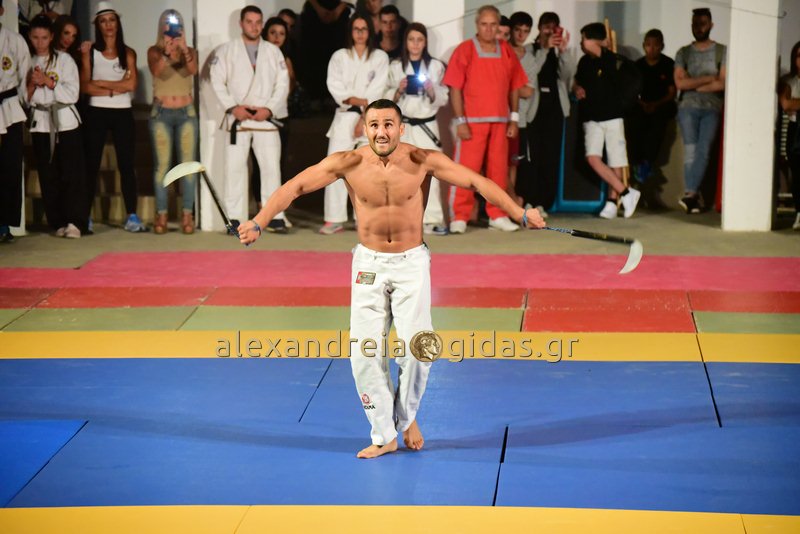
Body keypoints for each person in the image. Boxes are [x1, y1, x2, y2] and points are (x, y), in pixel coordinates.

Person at [236, 99, 546, 458]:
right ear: (364, 129)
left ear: (401, 128)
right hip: (368, 264)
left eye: (388, 124)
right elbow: (295, 187)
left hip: (411, 263)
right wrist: (258, 221)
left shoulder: (422, 160)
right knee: (364, 354)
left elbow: (476, 181)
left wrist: (519, 212)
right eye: (374, 125)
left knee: (420, 351)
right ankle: (385, 434)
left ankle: (406, 417)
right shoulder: (348, 162)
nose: (381, 132)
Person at [443, 5, 528, 234]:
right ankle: (459, 216)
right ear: (477, 25)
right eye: (484, 24)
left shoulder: (506, 50)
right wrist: (460, 120)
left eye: (493, 24)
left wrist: (513, 118)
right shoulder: (465, 50)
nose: (489, 29)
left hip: (500, 122)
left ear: (498, 26)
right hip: (472, 123)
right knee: (465, 172)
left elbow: (515, 86)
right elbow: (455, 88)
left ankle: (497, 214)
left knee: (498, 172)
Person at [210, 5, 289, 233]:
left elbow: (282, 84)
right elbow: (217, 80)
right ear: (241, 24)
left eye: (258, 22)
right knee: (234, 169)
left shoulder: (273, 52)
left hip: (265, 118)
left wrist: (269, 109)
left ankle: (274, 216)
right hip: (240, 118)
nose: (254, 26)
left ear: (262, 24)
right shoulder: (226, 51)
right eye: (249, 22)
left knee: (271, 169)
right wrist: (233, 107)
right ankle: (234, 218)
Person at [319, 13, 388, 234]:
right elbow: (335, 85)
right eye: (356, 29)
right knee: (336, 167)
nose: (360, 33)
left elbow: (378, 89)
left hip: (371, 117)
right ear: (350, 32)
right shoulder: (339, 56)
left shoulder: (380, 57)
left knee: (369, 170)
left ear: (370, 32)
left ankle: (366, 218)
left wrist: (363, 114)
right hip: (344, 116)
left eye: (364, 29)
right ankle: (334, 218)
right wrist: (357, 101)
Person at [80, 2, 146, 232]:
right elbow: (85, 86)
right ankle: (85, 215)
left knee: (126, 164)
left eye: (111, 20)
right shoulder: (90, 52)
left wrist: (101, 83)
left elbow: (132, 85)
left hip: (122, 112)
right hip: (96, 111)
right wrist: (116, 87)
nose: (108, 25)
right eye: (103, 21)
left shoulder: (128, 53)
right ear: (98, 25)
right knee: (91, 164)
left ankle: (132, 216)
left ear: (117, 23)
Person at [24, 15, 85, 239]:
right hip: (41, 123)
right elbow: (24, 99)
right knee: (48, 175)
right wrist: (32, 84)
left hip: (65, 121)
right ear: (30, 37)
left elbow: (73, 93)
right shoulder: (27, 61)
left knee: (71, 173)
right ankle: (57, 221)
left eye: (44, 38)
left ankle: (75, 221)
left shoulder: (65, 60)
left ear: (51, 37)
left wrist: (49, 82)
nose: (40, 42)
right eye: (35, 37)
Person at [385, 22, 449, 236]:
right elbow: (384, 97)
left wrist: (431, 90)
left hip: (427, 125)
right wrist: (398, 91)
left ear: (425, 42)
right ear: (406, 42)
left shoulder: (436, 67)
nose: (415, 44)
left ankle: (432, 219)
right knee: (399, 174)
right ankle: (400, 221)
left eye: (419, 40)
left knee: (431, 172)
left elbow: (444, 97)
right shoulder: (395, 66)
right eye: (411, 39)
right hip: (403, 125)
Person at [573, 22, 641, 219]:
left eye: (584, 39)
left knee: (615, 160)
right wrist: (576, 88)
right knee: (592, 158)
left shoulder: (612, 60)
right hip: (591, 118)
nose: (581, 43)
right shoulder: (584, 62)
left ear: (595, 41)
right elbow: (577, 80)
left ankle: (612, 201)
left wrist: (600, 45)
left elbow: (620, 82)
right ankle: (626, 192)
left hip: (613, 117)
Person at [518, 11, 573, 217]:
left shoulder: (559, 51)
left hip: (555, 110)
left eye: (554, 28)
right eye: (546, 27)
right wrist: (544, 49)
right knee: (531, 158)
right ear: (540, 29)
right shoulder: (528, 50)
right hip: (533, 111)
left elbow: (568, 76)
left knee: (550, 158)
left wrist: (563, 52)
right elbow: (529, 73)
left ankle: (543, 202)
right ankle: (529, 199)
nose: (550, 32)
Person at [148, 9, 198, 235]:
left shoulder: (190, 51)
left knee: (188, 166)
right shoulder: (154, 51)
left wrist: (184, 49)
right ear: (162, 28)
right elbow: (157, 71)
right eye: (168, 27)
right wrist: (167, 53)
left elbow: (193, 70)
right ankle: (162, 214)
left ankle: (187, 214)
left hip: (186, 113)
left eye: (177, 26)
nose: (172, 32)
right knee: (162, 167)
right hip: (162, 113)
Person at [674, 7, 726, 214]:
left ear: (711, 25)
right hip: (687, 107)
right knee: (691, 151)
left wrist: (693, 83)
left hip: (712, 107)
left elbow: (722, 83)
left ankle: (691, 195)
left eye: (703, 24)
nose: (699, 28)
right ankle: (692, 197)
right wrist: (709, 78)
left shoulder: (721, 51)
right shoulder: (684, 52)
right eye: (695, 24)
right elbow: (680, 83)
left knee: (703, 150)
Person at [628, 29, 675, 208]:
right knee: (634, 124)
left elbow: (671, 93)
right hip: (641, 106)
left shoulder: (668, 64)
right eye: (648, 45)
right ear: (644, 46)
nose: (652, 49)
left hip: (661, 106)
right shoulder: (638, 65)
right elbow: (633, 92)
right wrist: (643, 104)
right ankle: (639, 164)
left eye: (656, 45)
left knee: (657, 126)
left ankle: (646, 163)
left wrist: (655, 104)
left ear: (662, 46)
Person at [0, 0, 31, 243]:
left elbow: (24, 75)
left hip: (9, 107)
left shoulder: (14, 40)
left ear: (1, 11)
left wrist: (23, 102)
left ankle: (4, 224)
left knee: (10, 167)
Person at [507, 11, 534, 210]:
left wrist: (508, 86)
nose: (521, 35)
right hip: (497, 115)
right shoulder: (502, 52)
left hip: (519, 119)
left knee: (513, 163)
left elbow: (528, 91)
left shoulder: (530, 59)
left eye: (525, 31)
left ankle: (511, 204)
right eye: (517, 30)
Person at [779, 40, 800, 230]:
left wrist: (796, 102)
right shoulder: (788, 81)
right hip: (795, 129)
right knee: (796, 171)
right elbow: (786, 104)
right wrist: (793, 103)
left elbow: (792, 103)